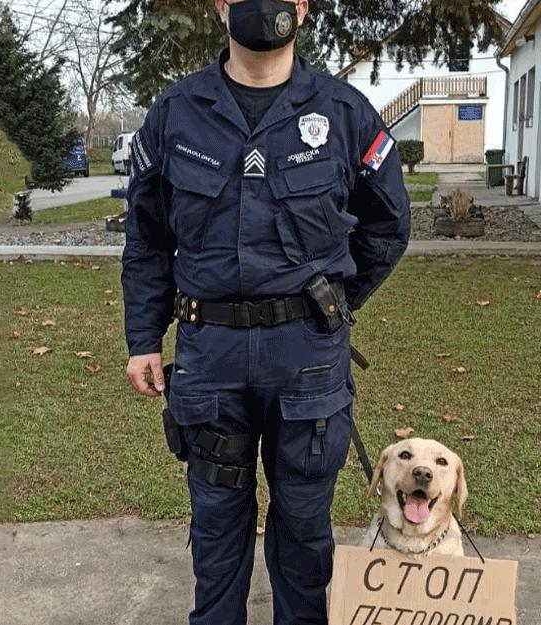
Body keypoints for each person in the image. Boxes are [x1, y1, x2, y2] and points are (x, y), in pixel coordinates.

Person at [121, 0, 411, 622]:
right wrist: (144, 338)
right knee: (218, 527)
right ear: (221, 5)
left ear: (303, 6)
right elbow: (146, 239)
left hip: (307, 358)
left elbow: (389, 226)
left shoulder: (343, 112)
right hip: (211, 355)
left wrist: (330, 303)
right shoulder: (175, 114)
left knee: (305, 528)